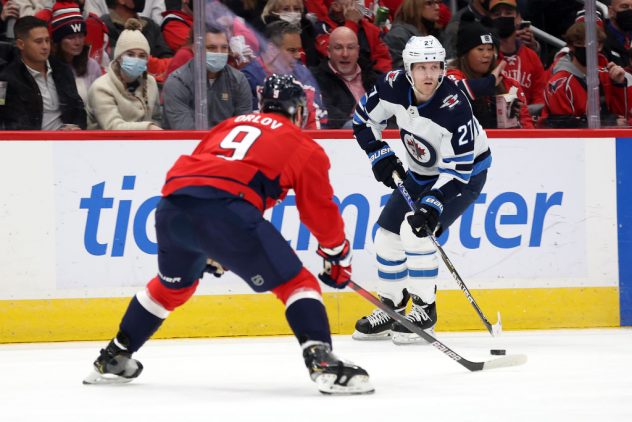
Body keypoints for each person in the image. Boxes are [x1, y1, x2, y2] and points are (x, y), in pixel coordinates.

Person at [83, 73, 374, 396]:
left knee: (171, 289)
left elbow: (206, 170)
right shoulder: (303, 144)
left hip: (172, 206)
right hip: (225, 210)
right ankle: (323, 363)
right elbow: (318, 210)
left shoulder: (230, 125)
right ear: (299, 111)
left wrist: (212, 245)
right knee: (298, 284)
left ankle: (115, 355)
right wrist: (337, 253)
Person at [351, 35, 491, 343]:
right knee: (386, 235)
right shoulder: (391, 86)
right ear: (407, 69)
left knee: (416, 232)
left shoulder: (453, 107)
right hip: (421, 171)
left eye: (435, 66)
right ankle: (392, 305)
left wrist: (433, 204)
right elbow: (363, 121)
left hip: (463, 177)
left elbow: (459, 174)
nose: (429, 75)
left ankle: (425, 310)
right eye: (421, 67)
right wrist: (379, 154)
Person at [0, 15, 86, 129]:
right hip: (32, 144)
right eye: (38, 41)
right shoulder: (6, 79)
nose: (45, 47)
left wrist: (76, 128)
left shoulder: (63, 70)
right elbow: (9, 122)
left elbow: (78, 108)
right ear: (21, 44)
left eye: (47, 40)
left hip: (69, 141)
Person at [447, 18, 533, 128]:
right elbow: (455, 91)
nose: (487, 55)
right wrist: (489, 82)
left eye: (490, 49)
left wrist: (515, 121)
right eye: (481, 49)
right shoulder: (450, 76)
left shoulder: (508, 84)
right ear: (465, 53)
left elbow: (528, 128)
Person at [541, 22, 630, 128]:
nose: (586, 47)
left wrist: (618, 85)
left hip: (607, 140)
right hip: (573, 142)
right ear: (571, 46)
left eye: (591, 44)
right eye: (580, 43)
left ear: (600, 46)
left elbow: (623, 118)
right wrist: (606, 123)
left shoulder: (607, 75)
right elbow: (563, 125)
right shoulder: (559, 83)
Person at [162, 26, 252, 129]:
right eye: (211, 48)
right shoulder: (178, 82)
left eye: (224, 48)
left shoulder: (238, 80)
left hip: (228, 143)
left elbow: (244, 126)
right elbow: (186, 132)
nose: (219, 53)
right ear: (196, 49)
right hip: (188, 143)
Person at [241, 20, 327, 129]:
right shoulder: (248, 78)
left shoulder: (303, 74)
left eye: (298, 50)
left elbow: (320, 119)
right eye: (292, 50)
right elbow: (250, 123)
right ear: (272, 49)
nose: (298, 56)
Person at [86, 18, 161, 129]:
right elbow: (113, 127)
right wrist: (148, 128)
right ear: (119, 58)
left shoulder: (151, 82)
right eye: (130, 55)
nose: (136, 59)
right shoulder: (101, 87)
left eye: (142, 56)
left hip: (145, 145)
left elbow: (156, 118)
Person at [311, 26, 379, 128]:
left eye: (350, 48)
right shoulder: (315, 79)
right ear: (329, 52)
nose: (345, 54)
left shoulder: (375, 78)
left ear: (357, 51)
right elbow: (327, 113)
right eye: (338, 48)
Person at [488, 0, 545, 113]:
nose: (503, 17)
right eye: (497, 14)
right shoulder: (486, 57)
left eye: (508, 13)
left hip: (528, 124)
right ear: (490, 19)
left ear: (518, 18)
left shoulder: (532, 56)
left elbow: (540, 97)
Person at [314, 0, 392, 74]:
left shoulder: (369, 28)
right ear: (336, 6)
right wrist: (351, 23)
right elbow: (337, 56)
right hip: (336, 79)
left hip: (370, 79)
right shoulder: (322, 28)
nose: (356, 3)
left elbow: (383, 59)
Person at [49, 1, 101, 104]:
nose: (77, 42)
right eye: (70, 37)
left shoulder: (91, 65)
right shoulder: (48, 67)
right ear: (58, 41)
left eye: (81, 36)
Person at [258, 0, 320, 68]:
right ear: (273, 11)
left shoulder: (308, 31)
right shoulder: (266, 35)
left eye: (296, 9)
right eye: (286, 9)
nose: (292, 12)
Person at [383, 0, 442, 69]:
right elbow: (400, 73)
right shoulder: (398, 35)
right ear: (414, 7)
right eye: (429, 3)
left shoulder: (433, 32)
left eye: (438, 3)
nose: (437, 7)